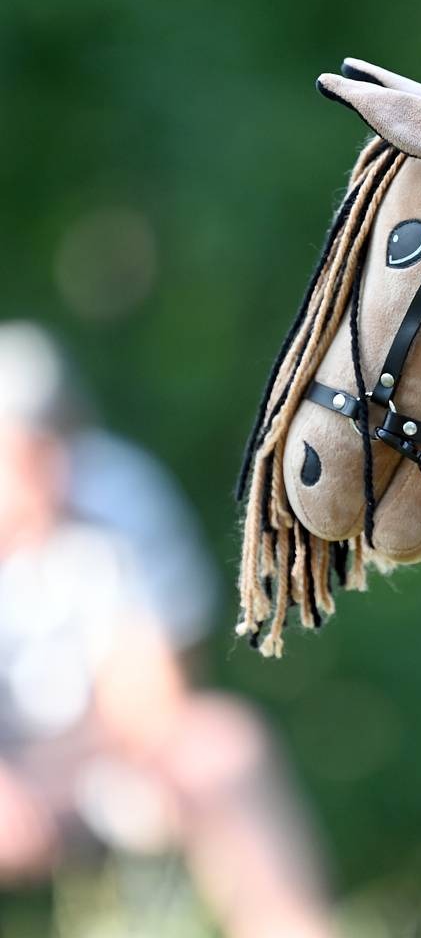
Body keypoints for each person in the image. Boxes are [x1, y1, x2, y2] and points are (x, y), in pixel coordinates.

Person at [0, 322, 338, 938]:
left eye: (55, 436)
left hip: (103, 770)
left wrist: (49, 778)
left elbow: (154, 705)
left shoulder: (117, 491)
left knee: (222, 746)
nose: (49, 460)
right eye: (24, 444)